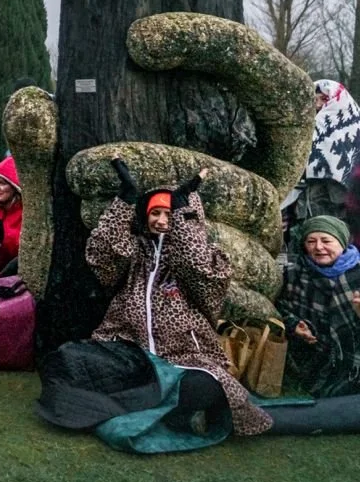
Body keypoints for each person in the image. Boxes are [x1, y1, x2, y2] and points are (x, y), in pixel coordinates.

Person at [85, 161, 269, 436]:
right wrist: (125, 201)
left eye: (169, 214)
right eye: (155, 213)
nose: (161, 220)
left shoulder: (206, 258)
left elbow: (198, 267)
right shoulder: (135, 250)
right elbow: (100, 256)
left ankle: (171, 409)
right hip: (131, 348)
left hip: (184, 356)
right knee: (87, 364)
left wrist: (184, 214)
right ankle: (165, 411)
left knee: (205, 385)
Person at [278, 215, 360, 398]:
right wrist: (293, 324)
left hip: (352, 365)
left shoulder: (357, 275)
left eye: (326, 240)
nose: (318, 247)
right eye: (311, 241)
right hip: (308, 361)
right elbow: (278, 309)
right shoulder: (294, 273)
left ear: (342, 242)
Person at [289, 80, 360, 234]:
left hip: (342, 211)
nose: (318, 105)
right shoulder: (302, 129)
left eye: (324, 99)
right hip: (303, 207)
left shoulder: (355, 131)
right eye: (315, 99)